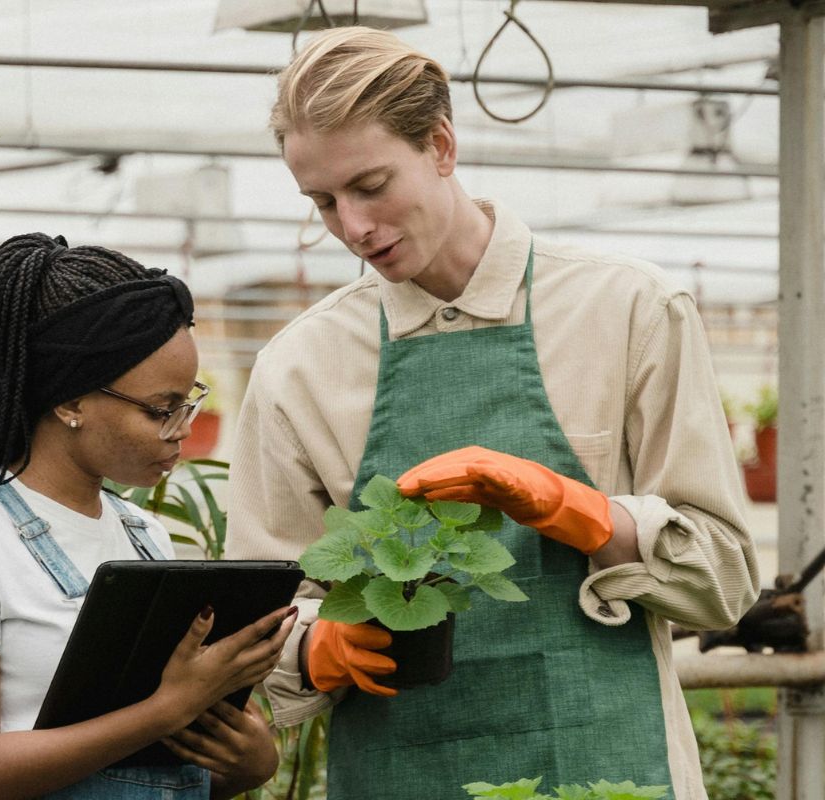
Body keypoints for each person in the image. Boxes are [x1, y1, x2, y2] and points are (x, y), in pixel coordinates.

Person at [224, 27, 759, 800]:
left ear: (441, 146)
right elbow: (258, 628)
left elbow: (726, 579)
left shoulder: (628, 311)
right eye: (323, 201)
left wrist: (582, 512)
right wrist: (316, 650)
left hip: (609, 765)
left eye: (371, 185)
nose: (353, 227)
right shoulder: (300, 369)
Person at [0, 233, 297, 800]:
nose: (183, 428)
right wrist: (166, 710)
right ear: (70, 402)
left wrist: (250, 759)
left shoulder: (144, 537)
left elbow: (169, 767)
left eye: (190, 403)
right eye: (162, 409)